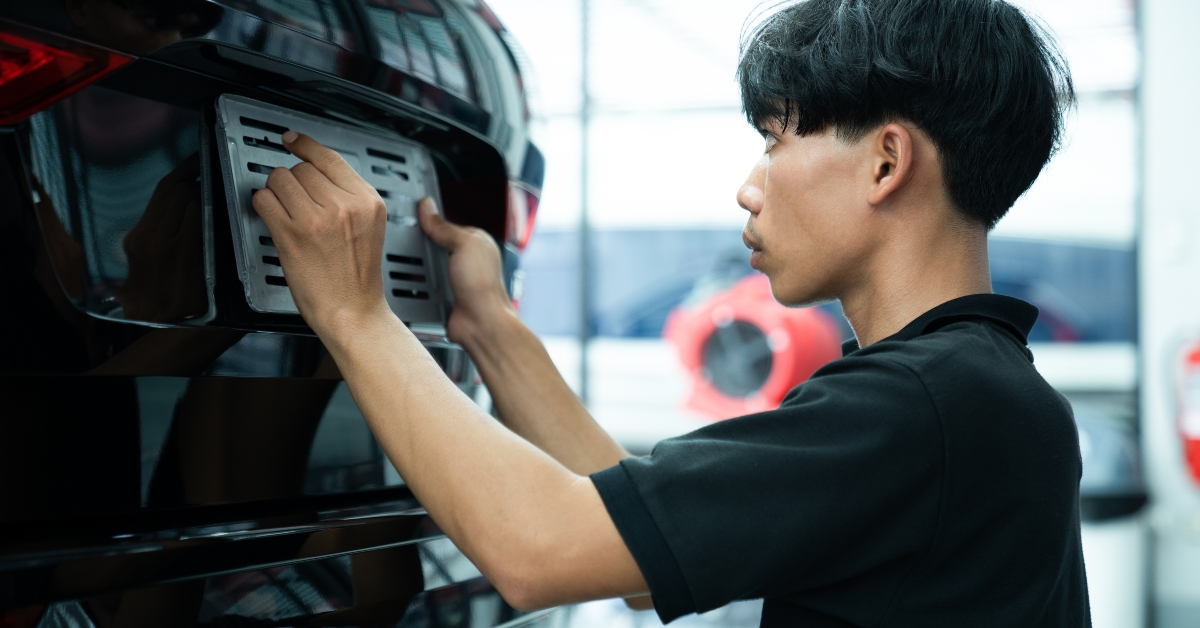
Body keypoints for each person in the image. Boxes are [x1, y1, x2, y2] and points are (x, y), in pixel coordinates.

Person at [250, 0, 1088, 625]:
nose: (749, 186)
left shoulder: (924, 406)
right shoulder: (973, 392)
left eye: (777, 140)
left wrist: (355, 315)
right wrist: (488, 327)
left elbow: (539, 550)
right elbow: (637, 549)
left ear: (885, 161)